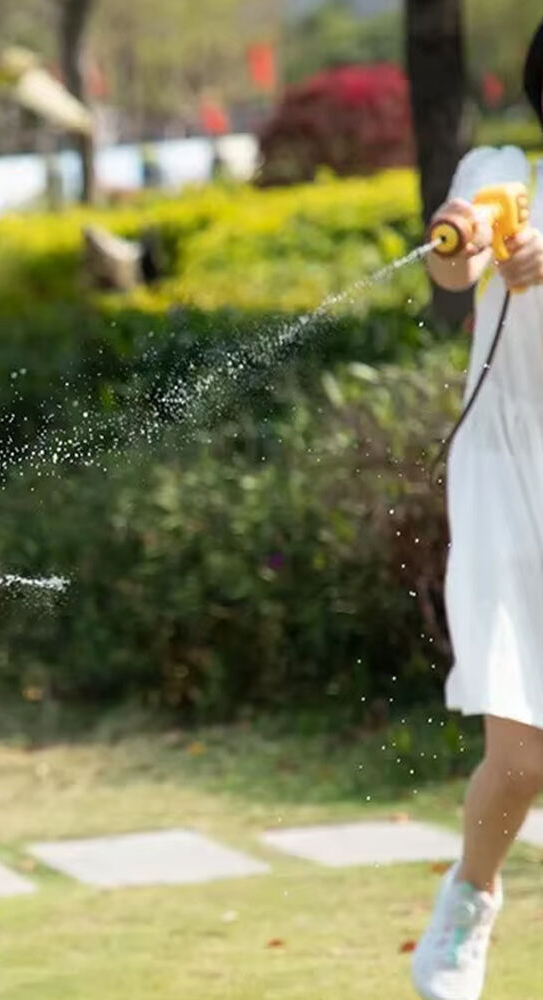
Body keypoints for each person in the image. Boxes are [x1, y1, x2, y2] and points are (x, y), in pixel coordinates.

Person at [411, 18, 543, 1000]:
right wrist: (469, 240)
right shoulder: (506, 175)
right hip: (510, 475)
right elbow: (452, 263)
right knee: (522, 756)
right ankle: (470, 895)